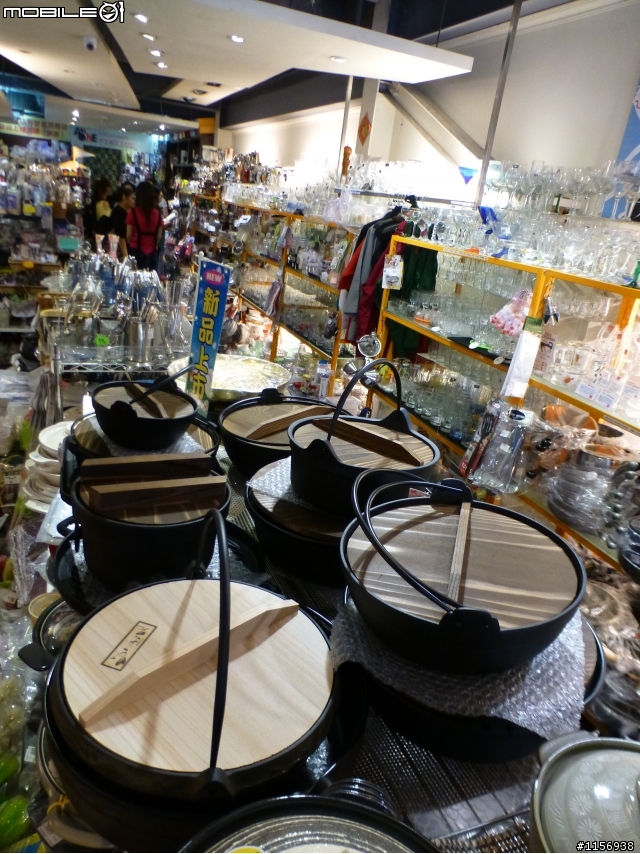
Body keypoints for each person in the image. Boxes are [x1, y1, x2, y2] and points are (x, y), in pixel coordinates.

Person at [126, 181, 163, 270]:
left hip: (135, 253)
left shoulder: (132, 213)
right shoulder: (158, 214)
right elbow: (159, 236)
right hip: (152, 255)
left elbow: (128, 236)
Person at [109, 185, 135, 259]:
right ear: (124, 197)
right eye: (132, 198)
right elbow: (120, 236)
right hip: (120, 251)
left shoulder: (127, 212)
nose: (134, 201)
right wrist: (125, 255)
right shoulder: (118, 213)